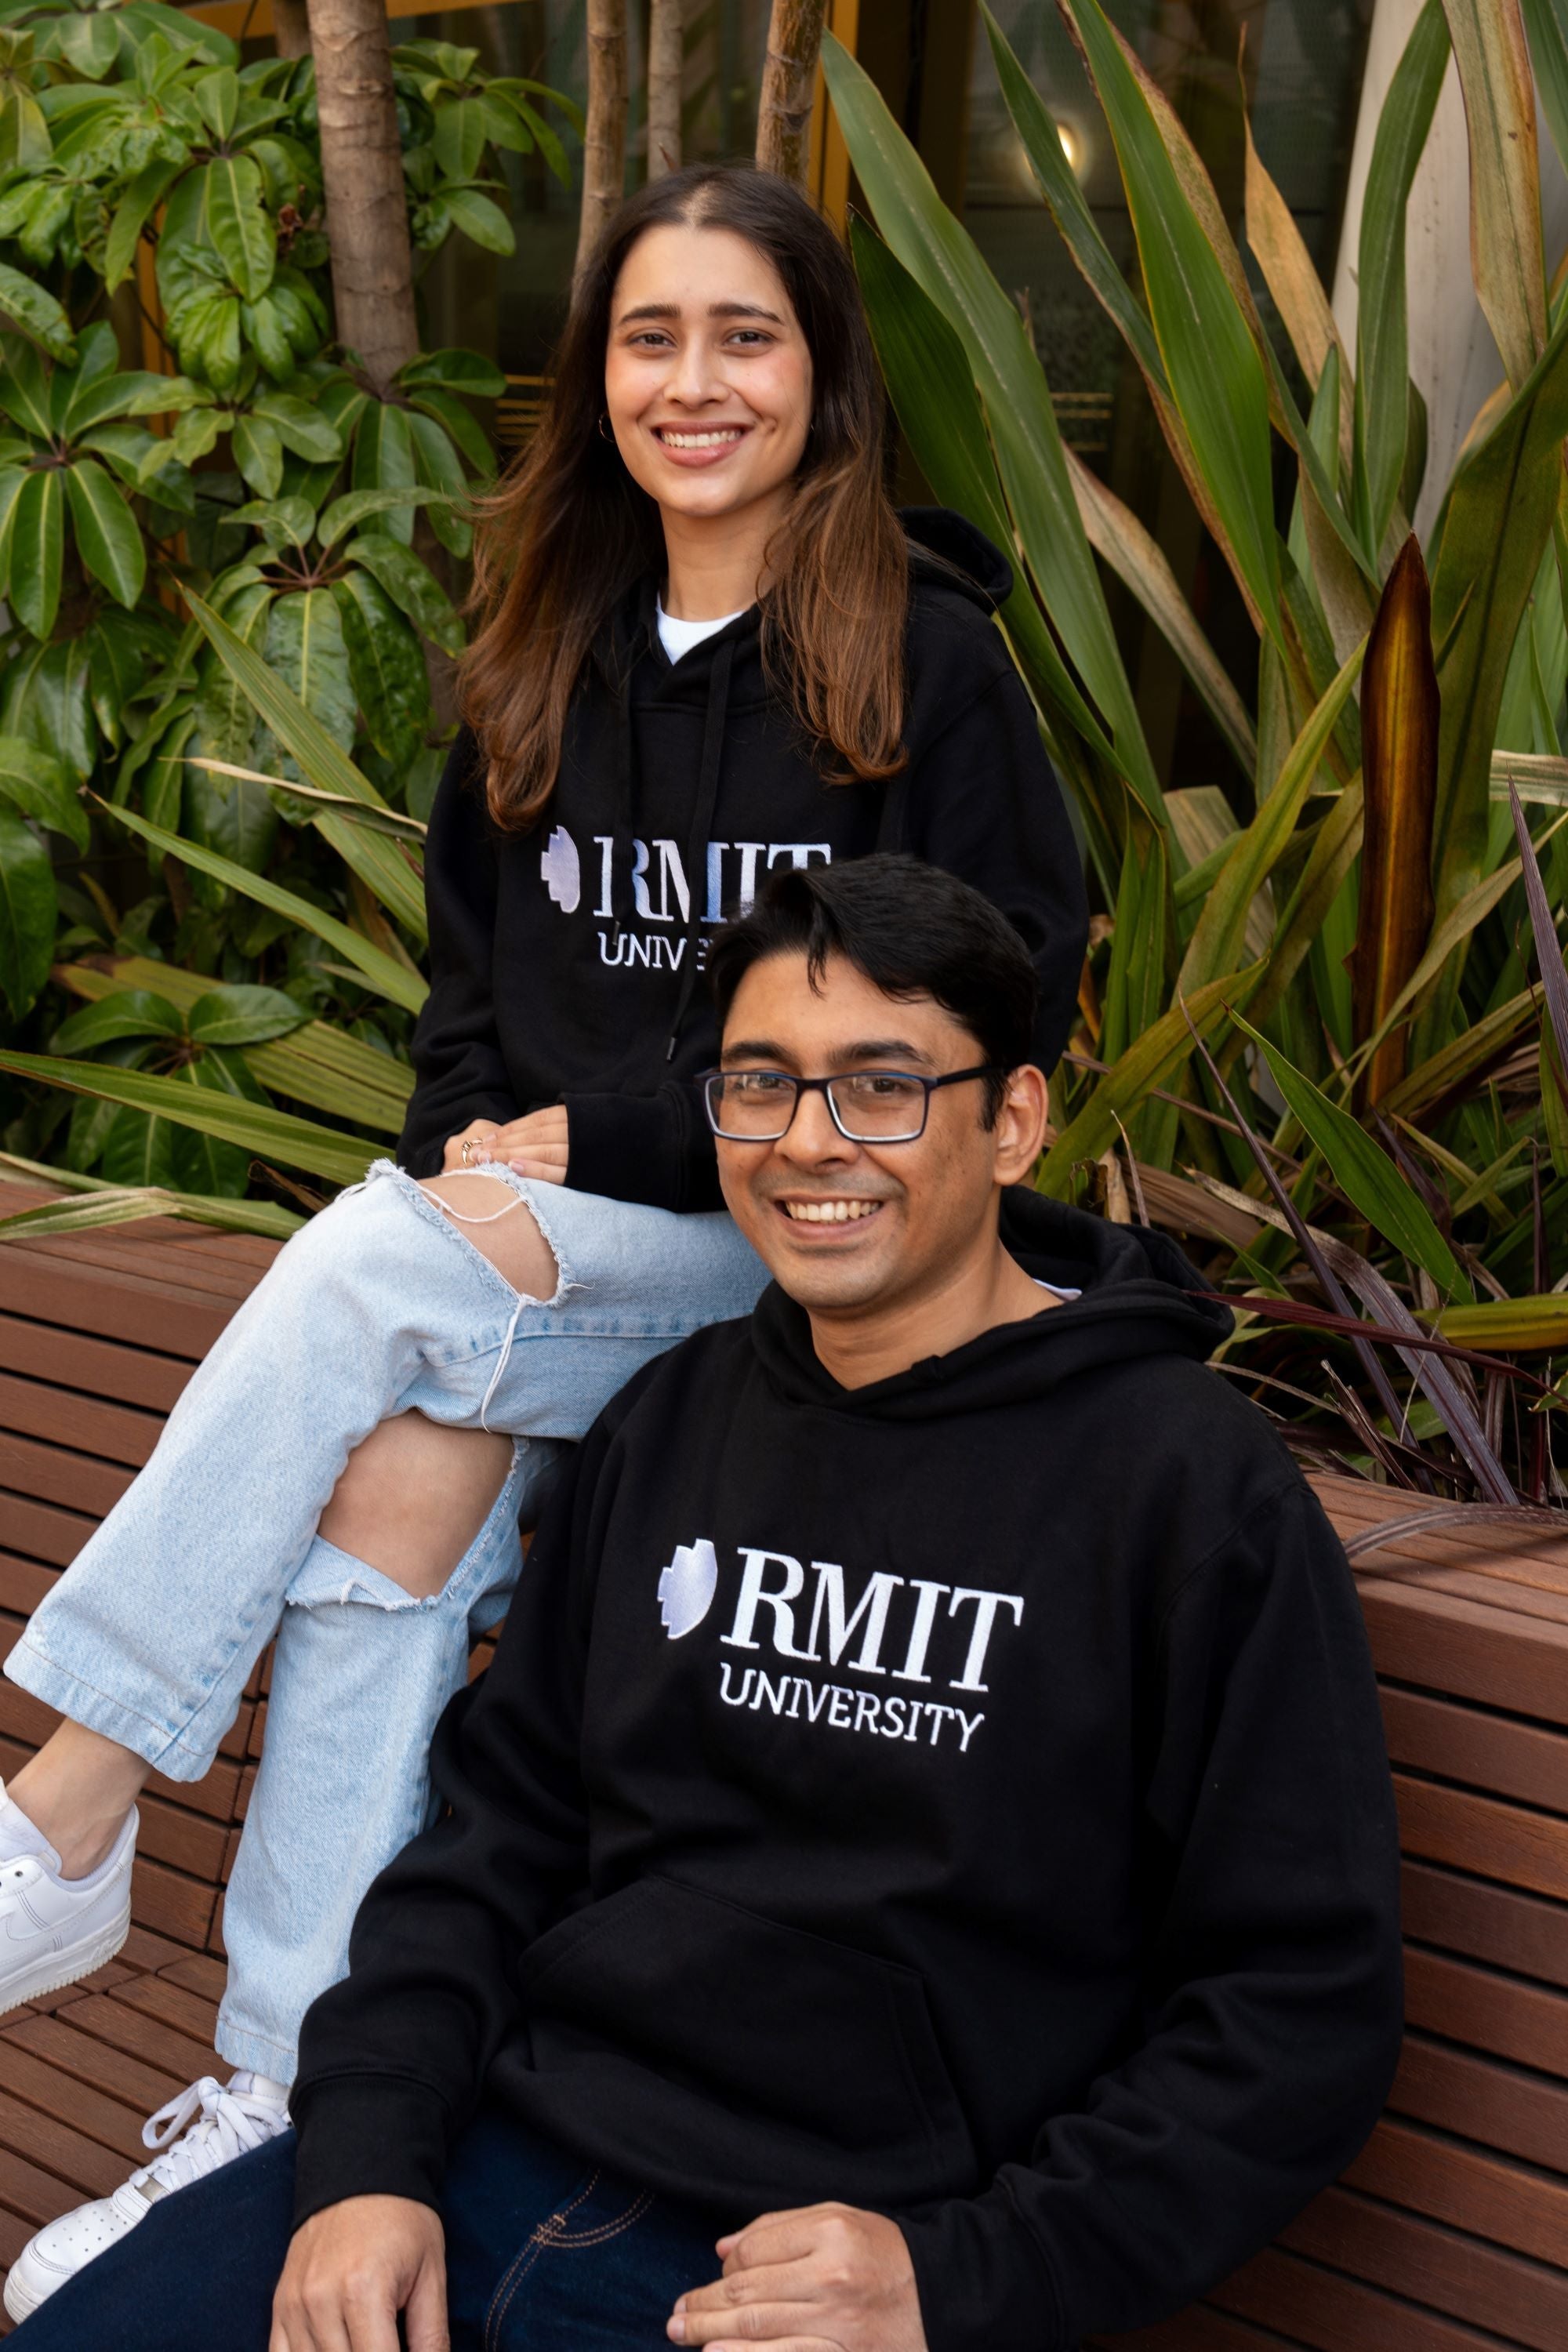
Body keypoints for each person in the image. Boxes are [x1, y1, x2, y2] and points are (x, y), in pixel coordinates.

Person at [0, 165, 1089, 2321]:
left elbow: (998, 991)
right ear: (597, 383)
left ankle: (76, 1788)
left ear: (824, 375)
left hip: (816, 1259)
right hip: (577, 1279)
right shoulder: (545, 651)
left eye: (745, 336)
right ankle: (275, 2087)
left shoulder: (926, 661)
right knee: (406, 1464)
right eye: (650, 339)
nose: (696, 383)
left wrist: (584, 1138)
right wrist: (488, 1150)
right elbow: (464, 1013)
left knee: (390, 1272)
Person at [13, 856, 1406, 2352]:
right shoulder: (674, 1419)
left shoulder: (1182, 1487)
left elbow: (1297, 2001)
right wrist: (365, 2156)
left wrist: (966, 2277)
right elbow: (494, 1837)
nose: (811, 1145)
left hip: (823, 2276)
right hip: (490, 2154)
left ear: (1013, 1121)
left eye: (882, 1087)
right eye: (760, 1085)